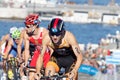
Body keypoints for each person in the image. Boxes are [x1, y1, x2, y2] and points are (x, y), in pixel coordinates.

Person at [23, 13, 50, 80]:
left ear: (35, 25)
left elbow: (52, 49)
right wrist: (26, 62)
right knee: (31, 75)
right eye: (25, 26)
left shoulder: (44, 33)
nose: (25, 28)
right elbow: (26, 49)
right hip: (37, 53)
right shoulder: (26, 34)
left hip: (47, 54)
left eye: (28, 26)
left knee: (47, 75)